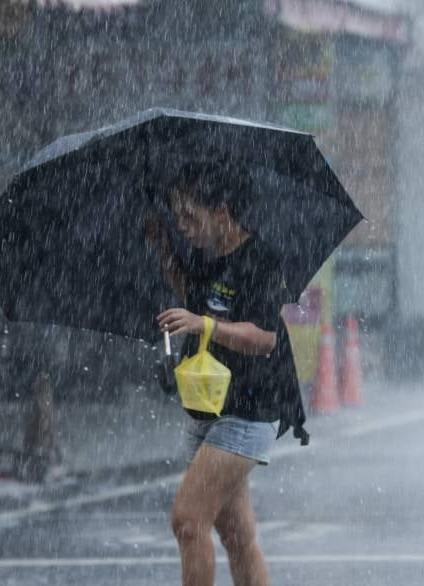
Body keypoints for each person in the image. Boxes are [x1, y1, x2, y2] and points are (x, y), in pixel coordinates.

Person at [147, 160, 307, 586]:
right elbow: (195, 296)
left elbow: (264, 337)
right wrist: (164, 248)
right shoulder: (209, 258)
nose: (182, 224)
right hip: (211, 409)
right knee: (236, 536)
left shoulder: (260, 260)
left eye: (189, 215)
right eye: (177, 216)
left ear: (221, 212)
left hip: (248, 411)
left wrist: (206, 325)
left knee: (188, 520)